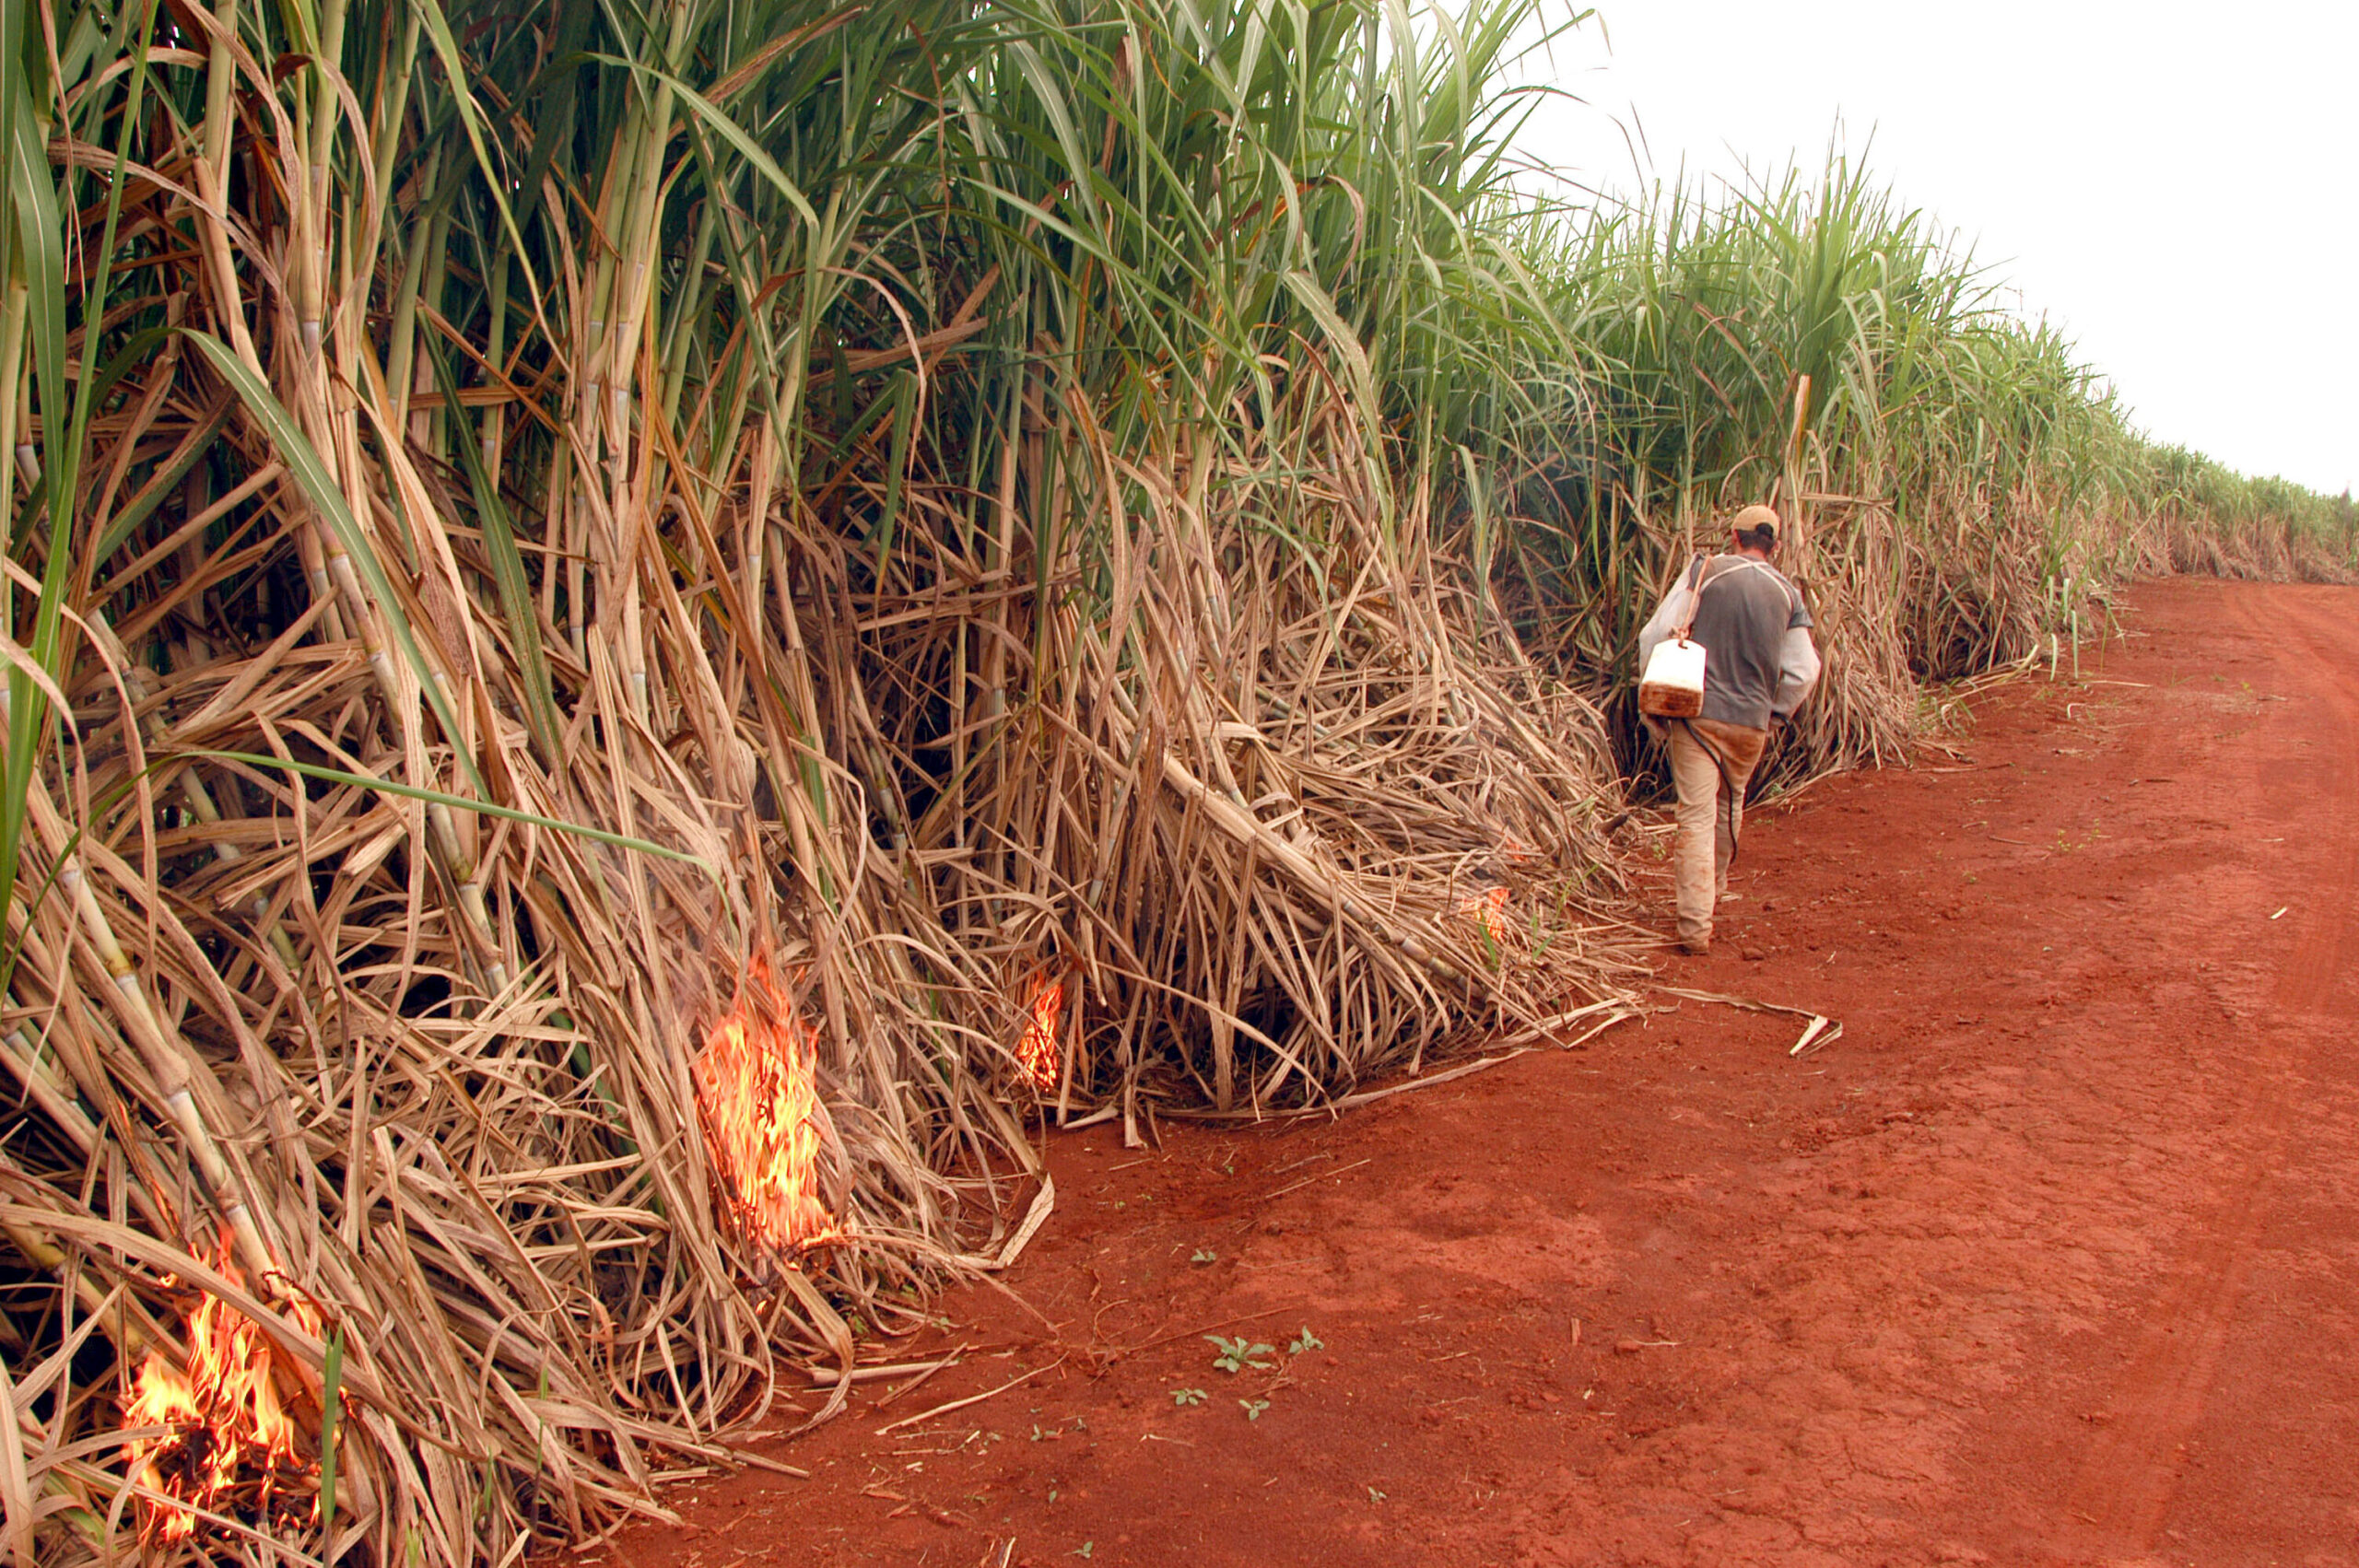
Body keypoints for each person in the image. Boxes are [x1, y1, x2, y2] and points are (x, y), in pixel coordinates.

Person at [1636, 504, 1822, 954]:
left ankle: (1695, 928)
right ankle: (1713, 894)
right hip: (1752, 726)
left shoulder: (1708, 572)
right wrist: (1773, 713)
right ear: (1774, 546)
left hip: (1699, 715)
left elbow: (1655, 633)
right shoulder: (1789, 594)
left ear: (1734, 537)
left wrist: (1651, 701)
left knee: (1696, 816)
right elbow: (1805, 670)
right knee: (1729, 806)